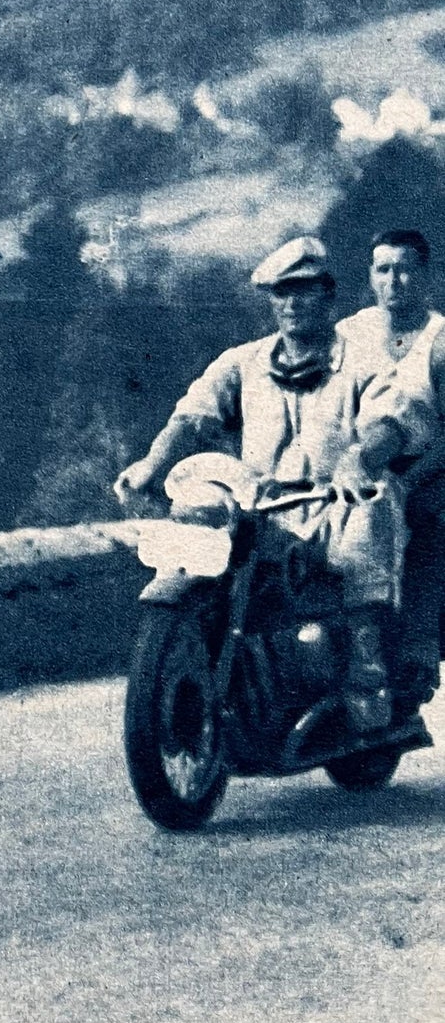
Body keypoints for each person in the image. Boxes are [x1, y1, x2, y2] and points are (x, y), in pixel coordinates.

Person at [113, 236, 405, 735]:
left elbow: (391, 420)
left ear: (328, 293)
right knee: (201, 532)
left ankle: (366, 669)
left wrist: (359, 457)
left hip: (336, 500)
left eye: (303, 290)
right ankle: (199, 661)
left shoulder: (365, 361)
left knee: (365, 523)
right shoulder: (243, 363)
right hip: (264, 505)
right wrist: (150, 464)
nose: (291, 303)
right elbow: (192, 415)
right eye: (281, 293)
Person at [337, 230, 445, 704]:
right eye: (383, 269)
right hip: (361, 462)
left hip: (429, 465)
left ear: (426, 275)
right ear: (371, 277)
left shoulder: (439, 342)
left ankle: (419, 648)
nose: (394, 281)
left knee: (425, 518)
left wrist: (407, 481)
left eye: (405, 269)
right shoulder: (351, 333)